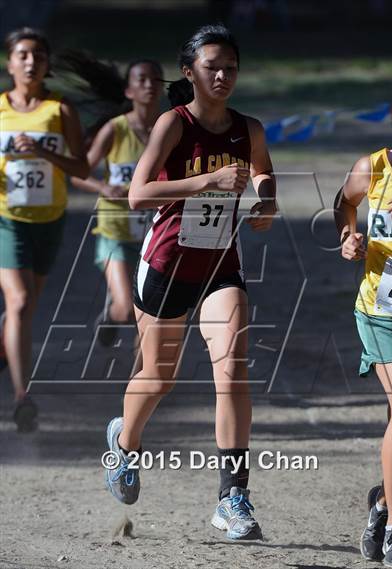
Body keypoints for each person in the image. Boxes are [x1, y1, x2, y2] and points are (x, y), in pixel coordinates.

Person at [104, 24, 277, 540]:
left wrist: (266, 199)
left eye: (230, 67)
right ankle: (124, 445)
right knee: (160, 379)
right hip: (167, 266)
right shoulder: (173, 124)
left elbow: (263, 173)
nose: (222, 75)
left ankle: (232, 497)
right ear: (190, 73)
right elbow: (137, 194)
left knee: (233, 372)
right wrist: (207, 181)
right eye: (211, 67)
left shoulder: (249, 129)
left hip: (221, 266)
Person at [335, 71, 392, 568]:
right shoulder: (373, 167)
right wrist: (349, 238)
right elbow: (344, 204)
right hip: (382, 309)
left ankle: (382, 503)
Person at [0, 27, 88, 432]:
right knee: (18, 303)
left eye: (38, 55)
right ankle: (22, 396)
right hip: (6, 219)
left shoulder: (60, 109)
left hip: (49, 220)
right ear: (9, 62)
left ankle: (7, 351)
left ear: (47, 63)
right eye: (22, 54)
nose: (31, 62)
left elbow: (82, 168)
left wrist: (40, 152)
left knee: (28, 306)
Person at [70, 57, 164, 348]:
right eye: (141, 80)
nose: (149, 85)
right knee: (125, 308)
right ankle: (111, 317)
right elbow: (78, 173)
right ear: (129, 91)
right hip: (116, 232)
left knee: (149, 315)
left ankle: (143, 382)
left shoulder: (171, 128)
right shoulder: (115, 129)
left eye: (155, 80)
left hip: (156, 236)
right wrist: (103, 186)